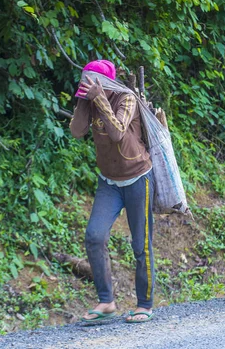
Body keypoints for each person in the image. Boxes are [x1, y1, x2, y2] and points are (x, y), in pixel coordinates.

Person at [69, 60, 155, 323]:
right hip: (109, 181)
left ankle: (145, 304)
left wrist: (101, 100)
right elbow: (76, 131)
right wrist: (85, 102)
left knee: (141, 245)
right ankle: (107, 301)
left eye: (92, 84)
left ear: (104, 84)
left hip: (138, 177)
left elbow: (118, 132)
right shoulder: (90, 100)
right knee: (94, 236)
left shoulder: (125, 98)